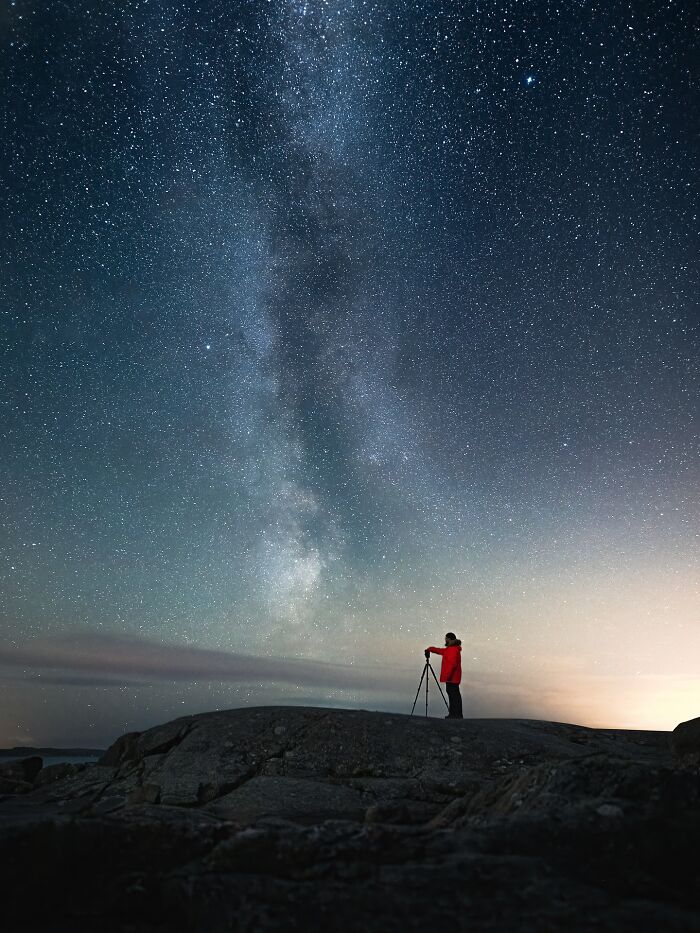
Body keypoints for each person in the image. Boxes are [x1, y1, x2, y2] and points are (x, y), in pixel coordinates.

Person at [425, 632, 463, 719]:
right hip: (453, 677)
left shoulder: (452, 650)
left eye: (446, 638)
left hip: (452, 677)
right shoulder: (450, 649)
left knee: (453, 696)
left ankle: (455, 715)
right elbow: (440, 651)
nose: (445, 640)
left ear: (449, 639)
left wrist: (449, 676)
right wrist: (430, 649)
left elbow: (452, 664)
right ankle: (455, 714)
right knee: (454, 695)